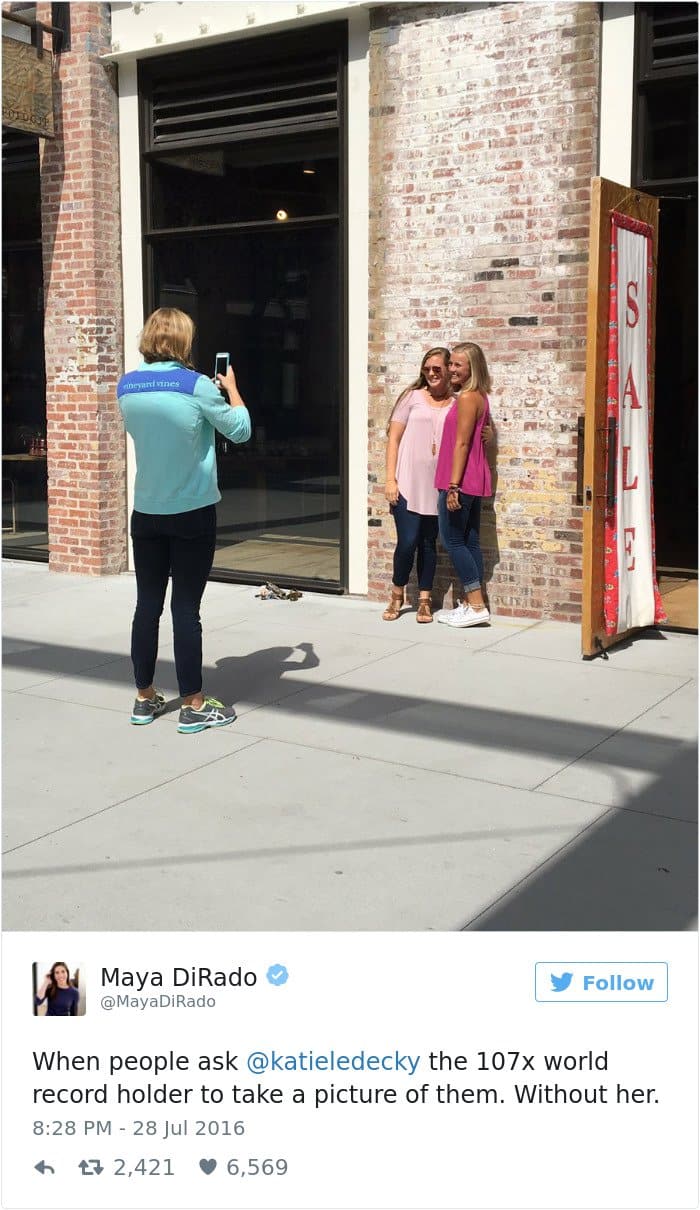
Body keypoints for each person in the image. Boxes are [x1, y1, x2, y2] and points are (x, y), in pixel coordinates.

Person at [117, 308, 251, 733]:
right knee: (185, 609)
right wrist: (231, 391)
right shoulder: (196, 385)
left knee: (147, 606)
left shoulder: (127, 386)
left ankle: (145, 698)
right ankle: (194, 702)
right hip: (191, 512)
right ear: (183, 341)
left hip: (147, 511)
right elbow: (241, 430)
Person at [382, 347, 455, 622]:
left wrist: (486, 433)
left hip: (437, 486)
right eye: (427, 369)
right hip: (408, 483)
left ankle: (424, 600)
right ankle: (397, 594)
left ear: (449, 370)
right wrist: (391, 479)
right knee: (408, 541)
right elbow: (394, 439)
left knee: (428, 543)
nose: (432, 373)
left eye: (437, 369)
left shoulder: (456, 403)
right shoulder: (411, 398)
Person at [434, 341, 493, 628]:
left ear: (472, 368)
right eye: (451, 364)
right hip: (472, 479)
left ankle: (477, 604)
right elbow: (484, 433)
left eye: (457, 364)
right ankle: (471, 604)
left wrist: (453, 485)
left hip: (459, 480)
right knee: (469, 541)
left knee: (453, 540)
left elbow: (463, 442)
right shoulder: (480, 396)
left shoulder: (469, 398)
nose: (451, 369)